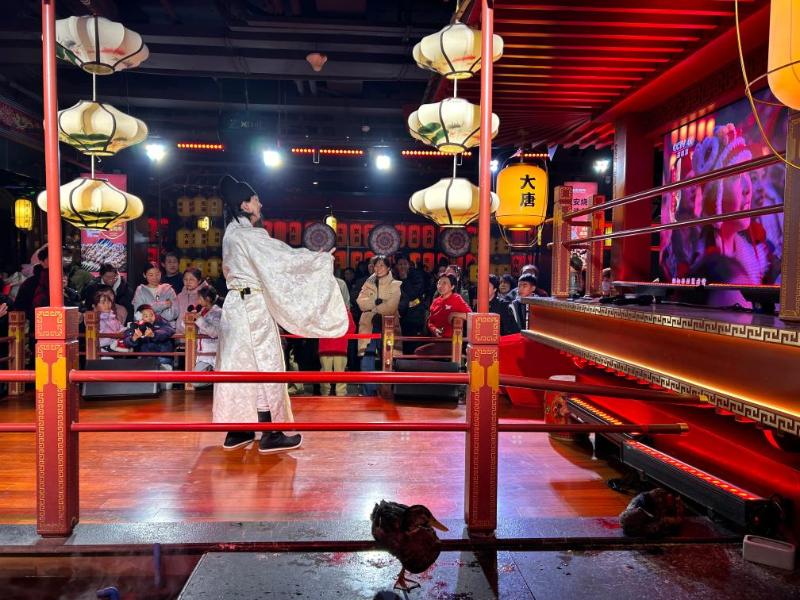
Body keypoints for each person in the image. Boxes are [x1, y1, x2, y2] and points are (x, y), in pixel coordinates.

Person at [214, 174, 347, 453]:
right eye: (255, 200)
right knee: (265, 366)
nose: (260, 204)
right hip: (252, 307)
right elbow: (282, 260)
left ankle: (238, 430)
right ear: (245, 205)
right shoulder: (249, 235)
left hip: (235, 306)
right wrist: (318, 259)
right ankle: (271, 432)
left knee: (239, 368)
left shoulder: (231, 234)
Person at [356, 255, 402, 396]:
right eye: (376, 265)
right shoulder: (367, 283)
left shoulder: (395, 284)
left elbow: (391, 307)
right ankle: (369, 393)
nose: (378, 268)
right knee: (366, 359)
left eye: (382, 265)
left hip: (388, 325)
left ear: (388, 268)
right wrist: (376, 302)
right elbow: (360, 302)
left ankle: (387, 392)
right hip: (368, 325)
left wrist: (373, 307)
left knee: (388, 359)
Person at [416, 273, 471, 356]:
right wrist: (434, 329)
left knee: (419, 352)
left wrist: (454, 314)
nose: (440, 286)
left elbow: (471, 316)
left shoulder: (456, 298)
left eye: (444, 283)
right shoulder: (435, 301)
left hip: (450, 341)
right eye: (439, 283)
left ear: (452, 287)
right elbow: (430, 321)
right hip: (436, 340)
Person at [318, 285, 356, 397]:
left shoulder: (322, 312)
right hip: (339, 346)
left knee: (326, 373)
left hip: (327, 346)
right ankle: (340, 395)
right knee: (340, 373)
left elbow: (317, 327)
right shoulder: (344, 311)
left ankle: (325, 395)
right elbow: (352, 329)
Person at [122, 304, 175, 368]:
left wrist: (154, 334)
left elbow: (168, 330)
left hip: (163, 358)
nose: (150, 318)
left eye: (151, 315)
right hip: (144, 360)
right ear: (139, 317)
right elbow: (126, 340)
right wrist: (133, 338)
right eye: (146, 316)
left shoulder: (161, 321)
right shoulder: (135, 325)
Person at [394, 254, 426, 355]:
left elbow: (413, 295)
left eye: (405, 264)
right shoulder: (393, 276)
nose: (402, 266)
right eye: (400, 264)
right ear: (396, 266)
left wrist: (404, 279)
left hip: (414, 316)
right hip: (398, 317)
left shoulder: (417, 276)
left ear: (409, 265)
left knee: (413, 345)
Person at [191, 286, 222, 389]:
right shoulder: (202, 311)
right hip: (202, 353)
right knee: (195, 381)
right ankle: (217, 379)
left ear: (207, 299)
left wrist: (199, 320)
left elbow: (215, 332)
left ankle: (220, 379)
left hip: (214, 352)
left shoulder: (218, 312)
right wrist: (188, 318)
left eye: (200, 298)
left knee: (196, 381)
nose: (198, 301)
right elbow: (188, 327)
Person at [132, 262, 178, 327]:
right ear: (144, 275)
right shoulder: (140, 290)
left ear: (161, 273)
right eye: (151, 275)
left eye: (157, 274)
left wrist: (150, 313)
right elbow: (138, 314)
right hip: (147, 328)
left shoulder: (168, 289)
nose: (155, 278)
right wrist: (164, 305)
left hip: (167, 328)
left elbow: (175, 313)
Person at [174, 268, 208, 334]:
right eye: (185, 279)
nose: (188, 282)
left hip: (199, 335)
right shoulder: (180, 295)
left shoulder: (205, 295)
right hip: (180, 334)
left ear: (199, 280)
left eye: (191, 279)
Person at [93, 289, 126, 356]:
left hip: (114, 350)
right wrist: (116, 335)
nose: (107, 305)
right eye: (103, 303)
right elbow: (97, 340)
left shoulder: (112, 317)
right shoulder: (95, 320)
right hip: (103, 352)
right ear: (95, 306)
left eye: (109, 302)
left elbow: (121, 328)